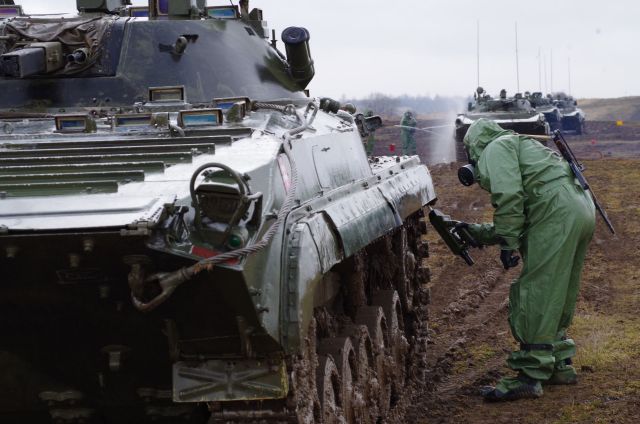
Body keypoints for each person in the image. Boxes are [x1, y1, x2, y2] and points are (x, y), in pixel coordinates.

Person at [457, 119, 596, 401]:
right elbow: (531, 206)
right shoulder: (520, 144)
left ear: (473, 146)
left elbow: (510, 197)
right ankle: (558, 363)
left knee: (537, 290)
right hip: (580, 207)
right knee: (560, 289)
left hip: (556, 213)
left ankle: (531, 375)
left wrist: (508, 243)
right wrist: (479, 233)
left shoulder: (495, 148)